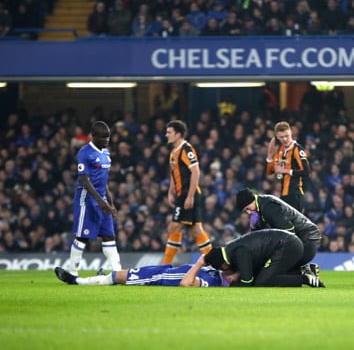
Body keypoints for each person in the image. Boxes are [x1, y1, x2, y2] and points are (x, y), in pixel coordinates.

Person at [64, 121, 121, 276]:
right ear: (94, 136)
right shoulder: (84, 152)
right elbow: (85, 180)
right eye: (103, 138)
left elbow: (104, 181)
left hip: (102, 200)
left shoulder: (106, 154)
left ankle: (117, 272)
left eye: (108, 138)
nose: (106, 141)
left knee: (109, 236)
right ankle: (72, 271)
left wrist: (111, 203)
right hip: (86, 199)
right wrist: (100, 201)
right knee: (82, 236)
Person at [235, 188, 320, 275]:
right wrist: (254, 228)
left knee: (273, 272)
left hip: (305, 243)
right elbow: (261, 238)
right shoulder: (261, 207)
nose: (248, 213)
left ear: (252, 200)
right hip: (304, 241)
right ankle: (306, 271)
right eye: (245, 211)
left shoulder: (268, 208)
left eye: (248, 208)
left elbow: (289, 230)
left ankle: (304, 273)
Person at [162, 120, 212, 264]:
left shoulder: (186, 149)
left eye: (169, 132)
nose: (166, 135)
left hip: (188, 194)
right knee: (196, 230)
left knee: (175, 226)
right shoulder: (173, 152)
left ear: (178, 134)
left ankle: (165, 264)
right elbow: (173, 173)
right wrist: (171, 192)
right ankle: (216, 263)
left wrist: (190, 196)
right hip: (180, 194)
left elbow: (196, 171)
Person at [202, 229, 325, 287]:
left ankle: (305, 279)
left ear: (223, 265)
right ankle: (304, 270)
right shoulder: (233, 250)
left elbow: (247, 282)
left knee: (263, 281)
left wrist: (231, 284)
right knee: (264, 275)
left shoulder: (239, 253)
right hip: (288, 243)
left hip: (287, 245)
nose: (224, 272)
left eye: (222, 269)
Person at [54, 263, 232, 287]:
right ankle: (103, 278)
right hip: (167, 269)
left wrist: (200, 262)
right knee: (125, 274)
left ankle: (76, 281)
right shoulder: (216, 272)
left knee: (118, 276)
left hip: (162, 277)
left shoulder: (212, 283)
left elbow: (187, 283)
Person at [265, 121, 311, 212]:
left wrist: (285, 171)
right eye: (282, 137)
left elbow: (306, 171)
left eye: (287, 136)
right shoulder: (281, 150)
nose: (285, 139)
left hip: (295, 194)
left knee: (295, 224)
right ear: (277, 137)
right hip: (284, 194)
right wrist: (270, 156)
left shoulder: (297, 149)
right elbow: (270, 172)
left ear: (291, 133)